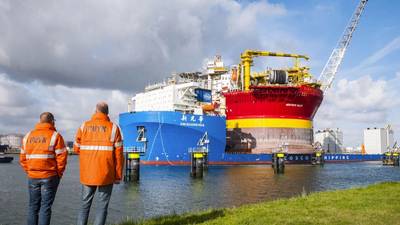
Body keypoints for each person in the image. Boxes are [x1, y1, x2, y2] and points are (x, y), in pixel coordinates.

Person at [74, 102, 124, 225]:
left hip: (87, 174)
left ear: (95, 111)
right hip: (106, 174)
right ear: (107, 113)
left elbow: (76, 148)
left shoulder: (83, 126)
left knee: (84, 205)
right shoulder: (114, 128)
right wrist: (118, 176)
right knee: (102, 206)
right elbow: (119, 155)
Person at [20, 112, 68, 225]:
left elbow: (22, 158)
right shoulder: (55, 136)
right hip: (49, 176)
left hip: (33, 177)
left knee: (33, 207)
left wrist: (30, 171)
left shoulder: (28, 136)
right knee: (45, 207)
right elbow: (62, 158)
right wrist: (58, 174)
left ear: (40, 121)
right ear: (52, 121)